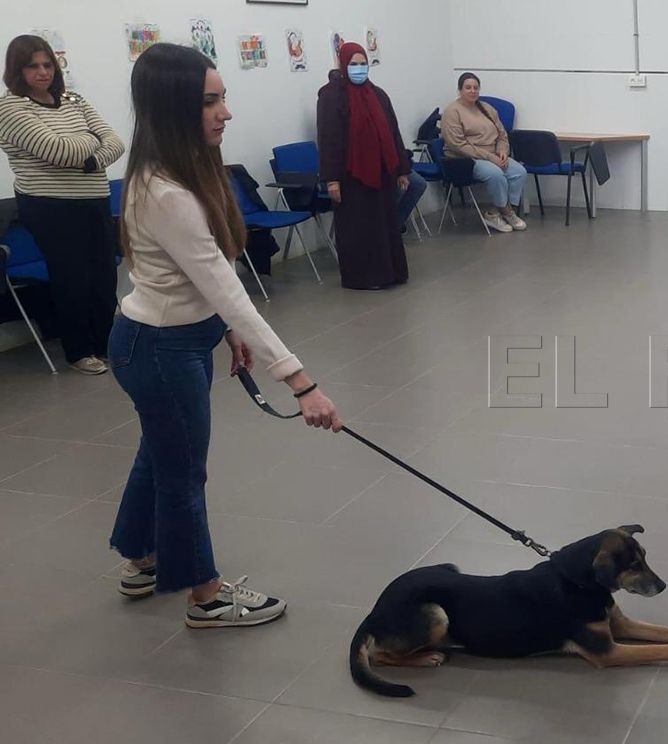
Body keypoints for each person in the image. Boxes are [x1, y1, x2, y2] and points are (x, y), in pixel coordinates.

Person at [109, 43, 342, 628]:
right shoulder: (166, 190)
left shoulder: (183, 169)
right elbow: (227, 289)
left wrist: (222, 332)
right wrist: (300, 381)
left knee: (161, 453)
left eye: (223, 98)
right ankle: (206, 596)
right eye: (211, 101)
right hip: (158, 348)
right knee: (184, 471)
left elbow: (203, 284)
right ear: (173, 108)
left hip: (164, 340)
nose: (225, 112)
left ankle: (141, 561)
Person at [0, 34, 124, 374]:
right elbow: (58, 151)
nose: (43, 72)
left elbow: (115, 142)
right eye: (33, 66)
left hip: (94, 200)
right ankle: (78, 351)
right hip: (49, 205)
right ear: (17, 70)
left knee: (103, 274)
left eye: (47, 65)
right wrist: (89, 144)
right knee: (73, 278)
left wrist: (85, 154)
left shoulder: (74, 99)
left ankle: (106, 343)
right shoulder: (10, 108)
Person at [317, 42, 412, 289]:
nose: (358, 69)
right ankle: (363, 278)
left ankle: (391, 273)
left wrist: (402, 168)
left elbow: (393, 132)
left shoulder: (377, 94)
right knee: (358, 227)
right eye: (353, 64)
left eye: (363, 64)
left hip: (381, 172)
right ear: (343, 64)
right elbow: (328, 139)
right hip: (350, 175)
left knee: (384, 223)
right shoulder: (331, 96)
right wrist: (332, 179)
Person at [440, 72, 527, 233]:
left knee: (519, 172)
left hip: (493, 154)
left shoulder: (487, 108)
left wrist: (502, 151)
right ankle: (507, 212)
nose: (472, 91)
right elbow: (458, 145)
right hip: (466, 158)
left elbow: (502, 134)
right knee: (496, 174)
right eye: (468, 88)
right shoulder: (452, 111)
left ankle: (495, 212)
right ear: (460, 90)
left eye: (475, 88)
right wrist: (490, 157)